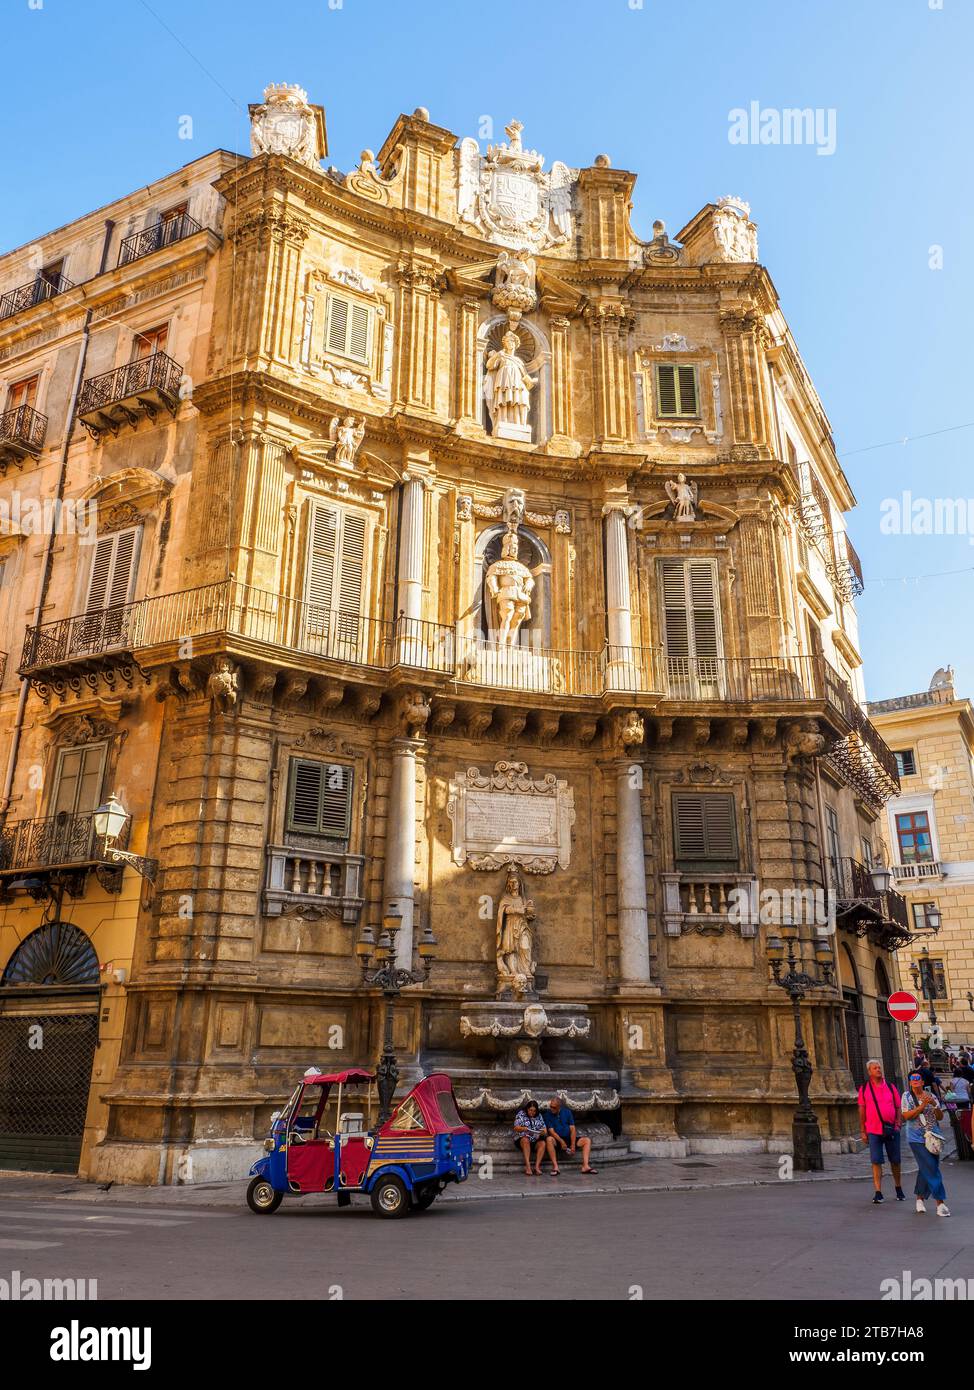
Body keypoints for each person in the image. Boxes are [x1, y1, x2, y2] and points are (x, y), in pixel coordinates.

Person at [902, 1071, 950, 1216]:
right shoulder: (907, 1096)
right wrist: (922, 1105)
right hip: (916, 1138)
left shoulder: (931, 1096)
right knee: (931, 1168)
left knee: (927, 1167)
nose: (915, 1080)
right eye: (913, 1079)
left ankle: (919, 1199)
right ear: (910, 1082)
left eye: (918, 1079)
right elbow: (906, 1116)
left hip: (933, 1138)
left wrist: (934, 1105)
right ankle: (940, 1203)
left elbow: (940, 1117)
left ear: (923, 1082)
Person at [857, 1060, 905, 1204]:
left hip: (891, 1129)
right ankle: (878, 1191)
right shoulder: (864, 1089)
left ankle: (898, 1187)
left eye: (879, 1067)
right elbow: (862, 1110)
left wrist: (898, 1122)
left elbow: (897, 1107)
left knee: (895, 1161)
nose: (878, 1070)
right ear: (869, 1072)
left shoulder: (891, 1087)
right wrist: (862, 1130)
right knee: (876, 1160)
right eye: (875, 1068)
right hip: (873, 1129)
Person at [543, 1096, 597, 1174]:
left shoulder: (567, 1112)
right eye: (550, 1106)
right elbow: (551, 1131)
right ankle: (555, 1167)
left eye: (554, 1107)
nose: (551, 1108)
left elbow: (573, 1129)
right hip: (557, 1140)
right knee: (549, 1139)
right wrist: (561, 1141)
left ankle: (585, 1166)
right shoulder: (547, 1114)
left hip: (568, 1138)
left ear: (559, 1107)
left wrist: (572, 1145)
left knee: (587, 1140)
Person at [513, 1100, 556, 1176]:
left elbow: (545, 1130)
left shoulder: (539, 1116)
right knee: (525, 1140)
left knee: (542, 1143)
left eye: (534, 1111)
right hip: (522, 1139)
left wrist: (541, 1132)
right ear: (527, 1109)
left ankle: (537, 1167)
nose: (532, 1112)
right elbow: (516, 1128)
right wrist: (524, 1129)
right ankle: (528, 1166)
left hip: (534, 1139)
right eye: (530, 1110)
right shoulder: (521, 1114)